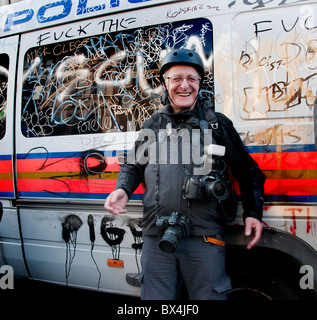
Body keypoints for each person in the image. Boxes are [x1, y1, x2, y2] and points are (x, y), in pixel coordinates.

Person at [104, 49, 266, 300]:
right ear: (165, 83)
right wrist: (122, 189)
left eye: (192, 79)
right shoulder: (152, 125)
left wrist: (253, 214)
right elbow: (133, 166)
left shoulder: (217, 124)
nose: (184, 85)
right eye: (176, 78)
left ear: (200, 84)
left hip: (204, 238)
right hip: (156, 237)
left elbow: (248, 171)